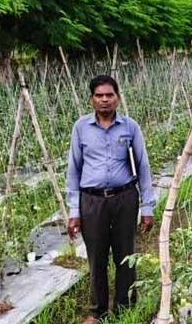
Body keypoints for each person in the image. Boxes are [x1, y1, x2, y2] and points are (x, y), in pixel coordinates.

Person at [66, 75, 156, 324]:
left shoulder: (130, 127)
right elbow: (73, 170)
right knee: (96, 256)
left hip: (125, 198)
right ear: (92, 99)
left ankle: (125, 306)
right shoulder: (81, 128)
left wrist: (147, 206)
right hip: (92, 201)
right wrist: (74, 210)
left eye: (109, 95)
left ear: (117, 97)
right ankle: (98, 311)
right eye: (99, 95)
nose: (104, 100)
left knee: (125, 254)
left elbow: (143, 166)